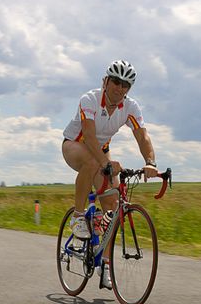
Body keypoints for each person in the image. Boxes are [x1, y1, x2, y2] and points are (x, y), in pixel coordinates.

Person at [62, 60, 158, 289]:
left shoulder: (130, 107)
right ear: (105, 81)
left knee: (114, 206)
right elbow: (89, 135)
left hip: (100, 152)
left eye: (125, 85)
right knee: (92, 162)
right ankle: (78, 216)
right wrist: (106, 163)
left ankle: (104, 264)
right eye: (116, 81)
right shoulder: (90, 99)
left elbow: (142, 136)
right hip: (75, 145)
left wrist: (150, 162)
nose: (119, 88)